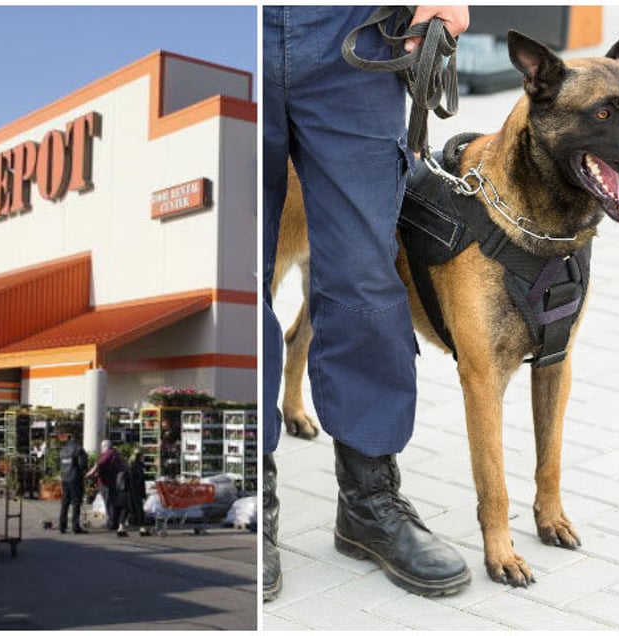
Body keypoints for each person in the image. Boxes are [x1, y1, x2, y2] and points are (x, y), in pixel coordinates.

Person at [263, 6, 472, 602]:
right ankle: (246, 492)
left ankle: (368, 498)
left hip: (355, 30)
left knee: (366, 277)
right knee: (232, 278)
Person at [85, 439, 126, 534]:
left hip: (107, 483)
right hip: (112, 482)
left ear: (105, 446)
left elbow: (99, 464)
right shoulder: (115, 453)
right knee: (113, 502)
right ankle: (114, 521)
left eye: (101, 447)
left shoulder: (108, 453)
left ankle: (112, 523)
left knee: (109, 502)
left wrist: (89, 474)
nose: (101, 449)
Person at [58, 433, 89, 534]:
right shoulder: (79, 449)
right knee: (76, 502)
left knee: (65, 502)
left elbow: (61, 464)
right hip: (75, 478)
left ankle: (62, 525)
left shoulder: (63, 450)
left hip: (64, 478)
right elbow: (82, 464)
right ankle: (75, 526)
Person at [126, 447, 147, 531]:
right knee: (139, 509)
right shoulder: (138, 465)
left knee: (127, 508)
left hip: (129, 490)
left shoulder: (130, 463)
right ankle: (142, 528)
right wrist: (143, 492)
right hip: (136, 489)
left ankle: (121, 527)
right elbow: (140, 479)